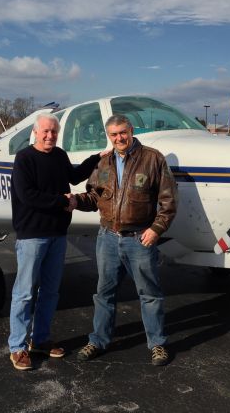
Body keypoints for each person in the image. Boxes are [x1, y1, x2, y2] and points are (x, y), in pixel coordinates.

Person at [70, 114, 177, 366]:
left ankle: (158, 344)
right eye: (113, 134)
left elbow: (168, 201)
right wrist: (75, 201)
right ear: (109, 136)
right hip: (107, 237)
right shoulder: (103, 162)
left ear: (131, 131)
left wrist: (156, 229)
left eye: (123, 132)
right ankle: (98, 340)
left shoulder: (153, 159)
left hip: (139, 238)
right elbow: (95, 197)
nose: (119, 138)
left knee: (149, 294)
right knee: (103, 293)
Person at [8, 113, 104, 371]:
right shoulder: (24, 158)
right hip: (32, 235)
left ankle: (39, 340)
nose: (50, 136)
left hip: (58, 234)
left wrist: (97, 158)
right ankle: (17, 347)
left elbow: (74, 175)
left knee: (50, 291)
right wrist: (64, 201)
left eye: (54, 132)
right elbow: (28, 196)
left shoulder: (59, 155)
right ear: (36, 133)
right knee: (25, 292)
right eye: (45, 131)